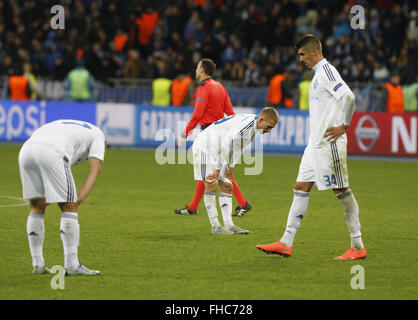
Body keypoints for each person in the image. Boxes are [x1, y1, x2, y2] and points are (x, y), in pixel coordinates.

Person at [257, 35, 366, 260]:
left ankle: (357, 246)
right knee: (300, 187)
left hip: (329, 144)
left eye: (302, 54)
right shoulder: (317, 76)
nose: (300, 59)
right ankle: (286, 242)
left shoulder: (327, 72)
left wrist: (344, 125)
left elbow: (348, 97)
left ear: (314, 52)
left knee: (342, 191)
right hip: (314, 145)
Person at [18, 119, 106, 275]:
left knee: (37, 207)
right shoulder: (98, 135)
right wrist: (78, 199)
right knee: (69, 208)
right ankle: (72, 265)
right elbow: (96, 167)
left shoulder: (70, 126)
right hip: (53, 151)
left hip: (26, 150)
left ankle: (38, 264)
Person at [175, 58, 252, 217]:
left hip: (209, 135)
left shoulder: (203, 88)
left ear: (202, 70)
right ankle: (194, 207)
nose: (196, 70)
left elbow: (198, 113)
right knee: (215, 171)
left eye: (197, 67)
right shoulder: (221, 87)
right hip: (221, 134)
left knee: (210, 172)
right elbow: (230, 113)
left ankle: (242, 203)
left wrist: (185, 133)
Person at [193, 107, 279, 234]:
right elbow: (227, 144)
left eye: (271, 128)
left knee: (227, 185)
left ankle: (229, 225)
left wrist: (231, 167)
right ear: (261, 119)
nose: (269, 130)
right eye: (268, 127)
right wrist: (217, 170)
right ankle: (215, 226)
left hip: (216, 150)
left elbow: (240, 146)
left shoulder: (256, 128)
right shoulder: (247, 126)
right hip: (205, 146)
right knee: (211, 183)